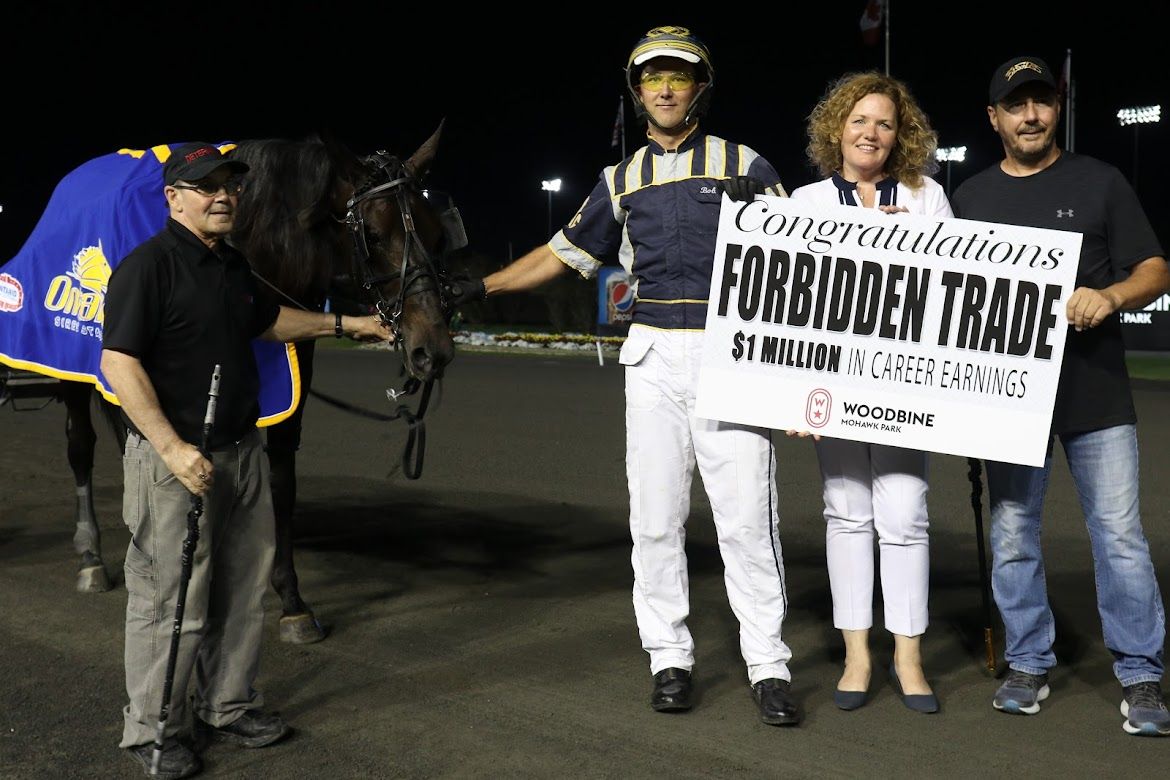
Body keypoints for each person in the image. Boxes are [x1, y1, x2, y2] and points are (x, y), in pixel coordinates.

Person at [445, 25, 799, 726]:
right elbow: (561, 253)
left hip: (731, 360)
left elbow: (802, 267)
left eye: (679, 75)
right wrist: (479, 287)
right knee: (656, 521)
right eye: (652, 78)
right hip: (653, 360)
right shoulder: (620, 178)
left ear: (701, 87)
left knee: (748, 524)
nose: (665, 88)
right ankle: (669, 659)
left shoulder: (746, 165)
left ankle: (769, 666)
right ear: (638, 93)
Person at [101, 142, 394, 778]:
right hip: (176, 463)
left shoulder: (231, 266)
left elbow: (269, 323)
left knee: (241, 592)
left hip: (242, 450)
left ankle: (227, 705)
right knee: (170, 599)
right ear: (174, 198)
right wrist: (172, 449)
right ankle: (153, 729)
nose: (223, 195)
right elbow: (118, 363)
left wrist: (348, 326)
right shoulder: (146, 268)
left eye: (229, 185)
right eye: (205, 186)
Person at [951, 56, 1170, 736]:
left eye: (1041, 102)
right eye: (1015, 106)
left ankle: (1142, 676)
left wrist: (1109, 294)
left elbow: (1156, 269)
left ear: (1056, 108)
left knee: (1120, 538)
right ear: (995, 118)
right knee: (1014, 535)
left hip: (1095, 394)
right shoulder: (971, 199)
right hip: (1010, 401)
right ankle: (1027, 660)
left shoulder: (1100, 181)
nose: (1030, 116)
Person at [789, 71, 950, 714]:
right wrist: (793, 397)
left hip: (904, 378)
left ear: (900, 136)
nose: (871, 132)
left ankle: (908, 657)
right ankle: (857, 654)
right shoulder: (803, 201)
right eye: (860, 120)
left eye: (885, 123)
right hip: (833, 377)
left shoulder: (926, 195)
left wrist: (902, 245)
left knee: (905, 512)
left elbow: (952, 290)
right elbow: (787, 308)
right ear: (837, 127)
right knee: (847, 510)